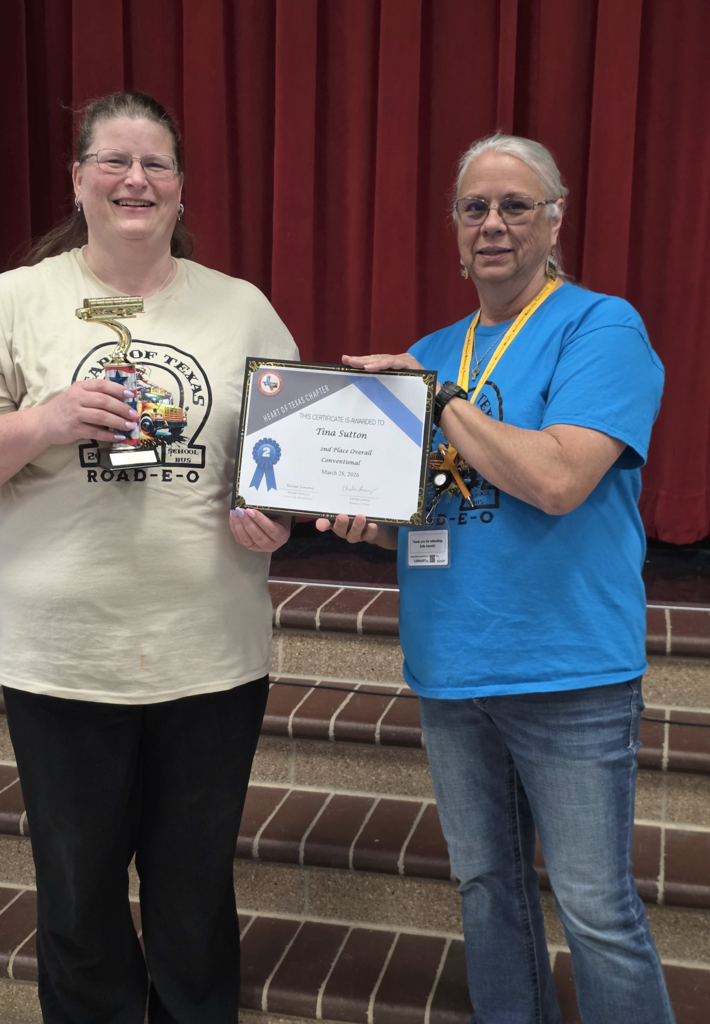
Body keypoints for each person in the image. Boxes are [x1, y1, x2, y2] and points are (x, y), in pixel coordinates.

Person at [0, 91, 297, 1024]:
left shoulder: (241, 309)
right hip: (66, 662)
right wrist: (45, 420)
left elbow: (281, 468)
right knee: (80, 903)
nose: (135, 179)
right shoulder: (13, 302)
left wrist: (273, 513)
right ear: (78, 180)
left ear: (180, 187)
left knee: (195, 900)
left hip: (210, 659)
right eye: (114, 161)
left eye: (155, 163)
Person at [318, 133, 674, 1024]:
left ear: (554, 221)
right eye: (473, 207)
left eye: (515, 206)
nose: (492, 224)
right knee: (485, 890)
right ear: (453, 227)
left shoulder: (601, 327)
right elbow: (422, 509)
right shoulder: (432, 348)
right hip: (451, 667)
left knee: (595, 911)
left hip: (567, 670)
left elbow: (556, 481)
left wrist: (440, 397)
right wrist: (364, 519)